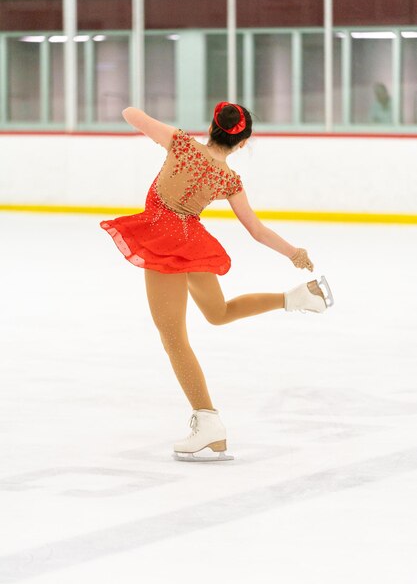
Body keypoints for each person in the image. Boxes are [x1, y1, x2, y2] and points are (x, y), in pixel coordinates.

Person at [99, 101, 334, 463]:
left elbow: (131, 114)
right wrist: (292, 252)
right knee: (219, 312)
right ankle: (299, 297)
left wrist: (155, 128)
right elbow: (255, 230)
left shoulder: (180, 143)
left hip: (164, 242)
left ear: (211, 127)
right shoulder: (229, 179)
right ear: (241, 144)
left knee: (174, 339)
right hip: (191, 241)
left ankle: (209, 425)